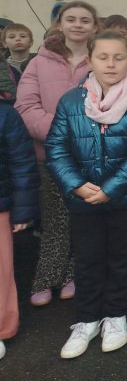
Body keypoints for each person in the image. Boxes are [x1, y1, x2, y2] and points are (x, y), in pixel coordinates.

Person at [46, 31, 127, 358]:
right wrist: (77, 184)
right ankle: (87, 319)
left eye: (119, 57)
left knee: (123, 257)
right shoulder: (71, 101)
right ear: (90, 60)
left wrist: (111, 189)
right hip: (83, 198)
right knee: (88, 258)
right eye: (103, 57)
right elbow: (56, 149)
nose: (111, 64)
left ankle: (116, 315)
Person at [16, 1, 98, 307]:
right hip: (50, 155)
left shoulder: (100, 60)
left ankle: (73, 275)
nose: (77, 25)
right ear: (60, 24)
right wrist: (63, 131)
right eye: (71, 19)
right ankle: (46, 277)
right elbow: (26, 106)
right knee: (54, 220)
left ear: (94, 26)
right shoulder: (39, 62)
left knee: (84, 219)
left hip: (89, 156)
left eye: (85, 20)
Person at [0, 97, 39, 361]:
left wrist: (23, 210)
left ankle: (2, 326)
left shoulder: (6, 114)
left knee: (2, 271)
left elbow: (22, 162)